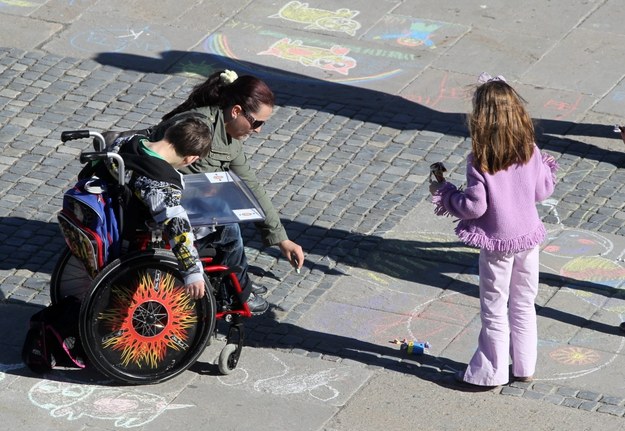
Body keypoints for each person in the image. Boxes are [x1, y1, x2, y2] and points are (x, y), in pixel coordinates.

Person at [429, 73, 558, 387]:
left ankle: (492, 371)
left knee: (495, 305)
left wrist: (445, 193)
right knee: (525, 301)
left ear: (481, 120)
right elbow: (542, 191)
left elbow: (475, 207)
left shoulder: (481, 159)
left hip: (498, 244)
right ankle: (525, 366)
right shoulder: (530, 149)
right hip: (528, 237)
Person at [150, 69, 305, 314]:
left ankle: (238, 281)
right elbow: (175, 177)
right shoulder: (198, 130)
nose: (258, 131)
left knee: (229, 216)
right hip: (161, 207)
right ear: (236, 111)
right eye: (257, 123)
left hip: (183, 200)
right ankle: (238, 293)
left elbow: (251, 185)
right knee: (228, 228)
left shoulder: (227, 137)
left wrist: (281, 238)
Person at [97, 117, 213, 300]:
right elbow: (176, 226)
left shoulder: (127, 143)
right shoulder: (161, 183)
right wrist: (192, 272)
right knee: (227, 233)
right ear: (191, 158)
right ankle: (241, 293)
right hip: (145, 233)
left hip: (116, 213)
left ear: (168, 132)